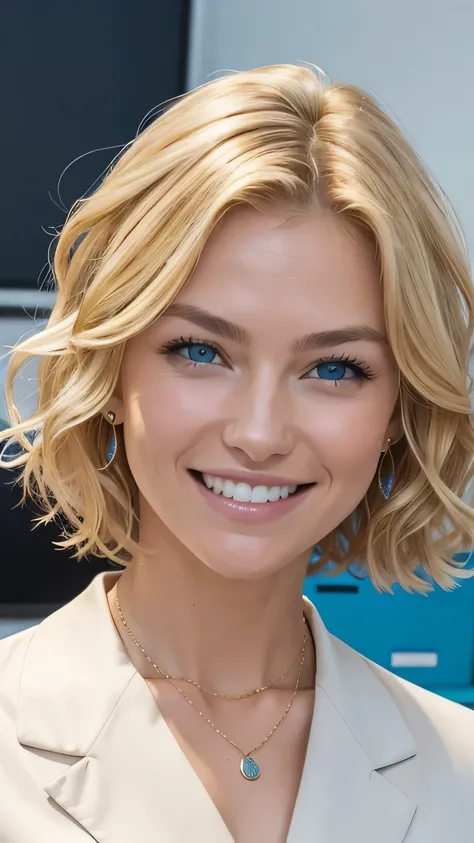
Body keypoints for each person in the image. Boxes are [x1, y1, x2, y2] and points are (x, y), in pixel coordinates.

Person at [1, 63, 474, 843]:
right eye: (200, 350)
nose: (258, 433)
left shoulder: (458, 776)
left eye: (333, 369)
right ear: (112, 365)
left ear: (398, 408)